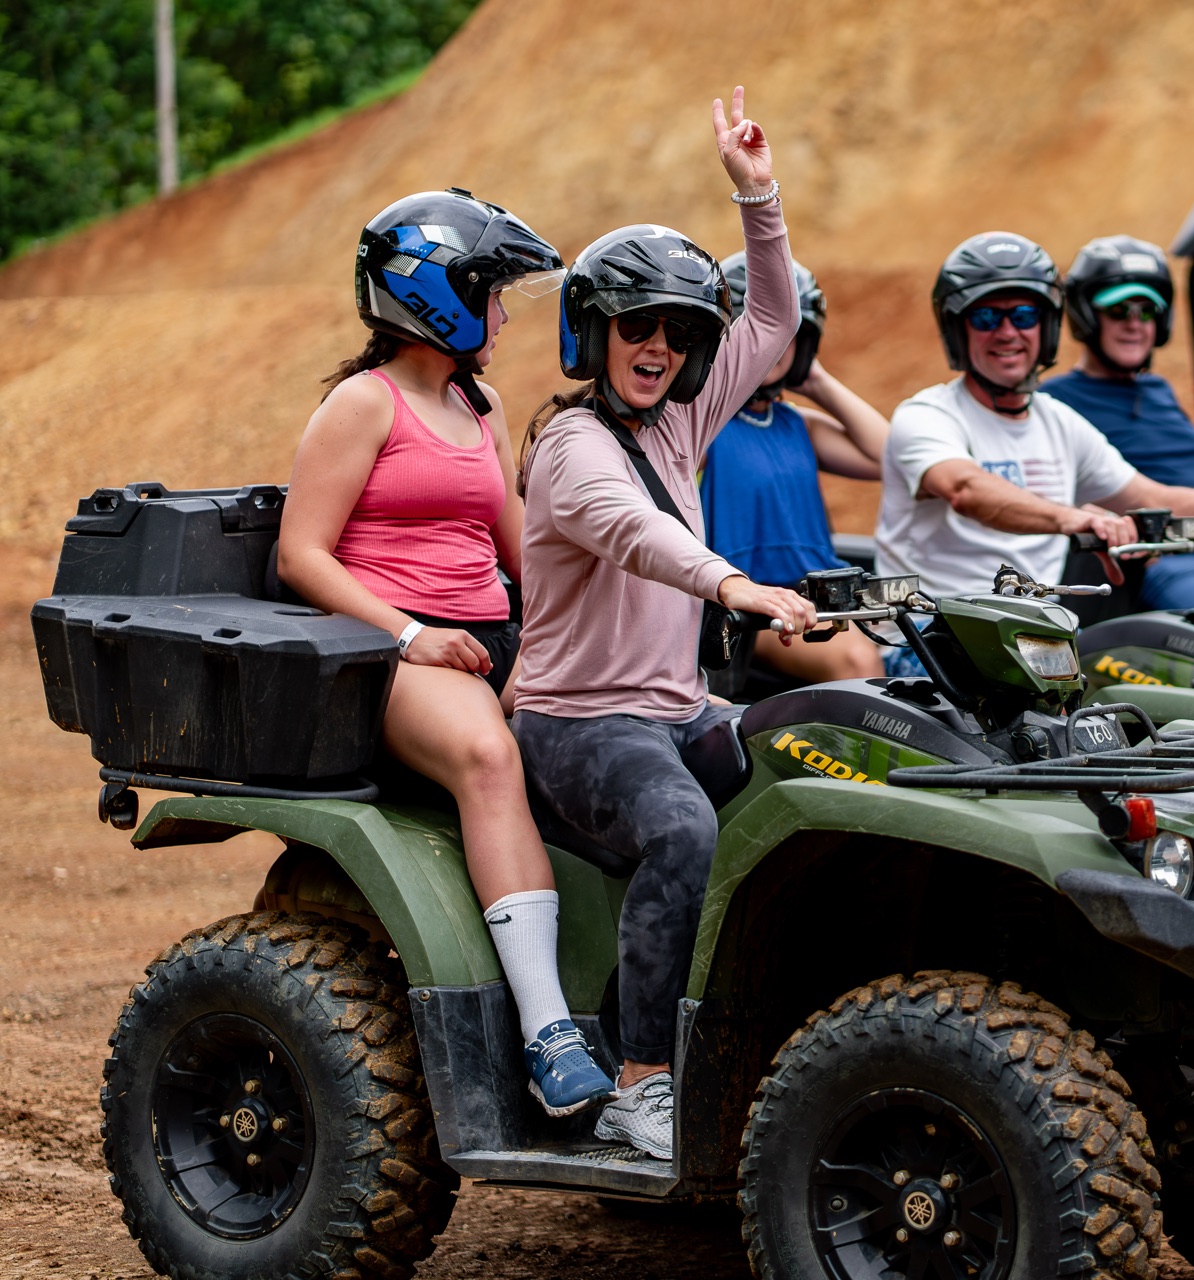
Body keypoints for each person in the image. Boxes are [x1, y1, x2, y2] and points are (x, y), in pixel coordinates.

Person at [510, 88, 814, 1162]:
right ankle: (641, 1083)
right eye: (637, 325)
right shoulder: (570, 449)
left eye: (681, 332)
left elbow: (771, 324)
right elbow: (632, 530)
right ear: (593, 331)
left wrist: (757, 196)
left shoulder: (682, 415)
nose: (658, 346)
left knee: (813, 755)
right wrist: (734, 585)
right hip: (573, 721)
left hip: (675, 706)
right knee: (680, 827)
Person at [277, 190, 616, 1117]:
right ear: (438, 297)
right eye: (493, 295)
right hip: (390, 649)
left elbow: (519, 544)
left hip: (485, 634)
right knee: (488, 755)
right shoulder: (362, 403)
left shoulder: (482, 399)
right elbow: (300, 552)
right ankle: (551, 1036)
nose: (506, 316)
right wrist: (412, 634)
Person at [874, 231, 1194, 675]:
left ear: (1047, 327)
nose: (1008, 333)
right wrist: (1073, 517)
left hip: (1042, 643)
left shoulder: (1059, 422)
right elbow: (965, 488)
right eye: (985, 317)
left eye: (1024, 316)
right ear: (958, 329)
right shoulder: (927, 414)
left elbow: (1151, 496)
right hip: (934, 637)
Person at [699, 254, 885, 681]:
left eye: (787, 332)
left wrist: (815, 378)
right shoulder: (701, 427)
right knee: (856, 661)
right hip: (750, 608)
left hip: (823, 599)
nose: (773, 343)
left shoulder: (797, 424)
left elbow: (890, 455)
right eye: (759, 328)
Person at [1042, 235, 1194, 611]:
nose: (1135, 323)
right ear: (1087, 315)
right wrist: (1103, 518)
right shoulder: (1057, 400)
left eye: (1148, 310)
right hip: (1163, 560)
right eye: (1119, 310)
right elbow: (1050, 492)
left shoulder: (1158, 389)